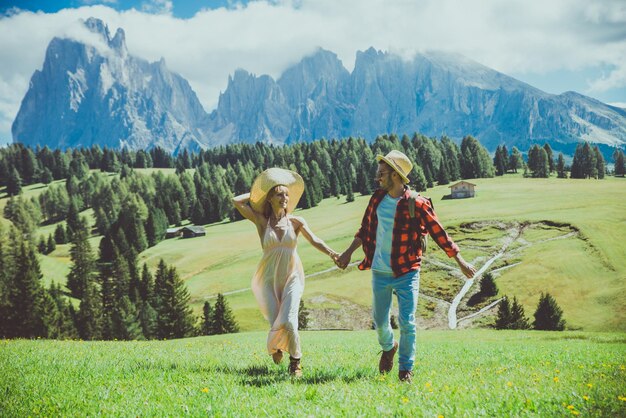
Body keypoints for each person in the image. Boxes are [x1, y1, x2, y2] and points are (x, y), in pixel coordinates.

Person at [335, 150, 476, 383]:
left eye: (381, 174)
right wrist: (348, 253)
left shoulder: (417, 204)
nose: (377, 178)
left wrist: (459, 260)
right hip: (380, 271)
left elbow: (438, 232)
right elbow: (364, 230)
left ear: (396, 176)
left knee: (407, 321)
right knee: (380, 322)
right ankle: (389, 347)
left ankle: (405, 370)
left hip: (407, 271)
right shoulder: (376, 200)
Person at [232, 167, 339, 377]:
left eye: (287, 194)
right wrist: (258, 195)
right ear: (270, 198)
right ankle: (278, 346)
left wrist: (333, 254)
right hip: (268, 280)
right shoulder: (262, 222)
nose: (285, 197)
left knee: (289, 320)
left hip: (292, 277)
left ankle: (295, 361)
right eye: (280, 193)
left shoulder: (296, 222)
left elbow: (315, 240)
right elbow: (237, 201)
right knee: (275, 321)